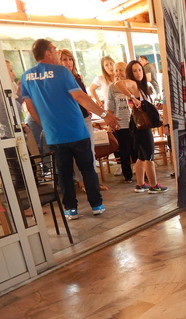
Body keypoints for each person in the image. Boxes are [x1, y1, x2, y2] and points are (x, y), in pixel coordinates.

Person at [21, 39, 120, 220]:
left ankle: (70, 209)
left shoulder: (26, 76)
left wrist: (45, 125)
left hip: (54, 134)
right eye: (54, 49)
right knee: (87, 168)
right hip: (76, 130)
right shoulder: (61, 72)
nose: (57, 52)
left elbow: (30, 106)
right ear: (48, 53)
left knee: (64, 172)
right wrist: (105, 115)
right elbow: (79, 97)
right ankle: (96, 205)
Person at [59, 48, 108, 192]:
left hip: (84, 117)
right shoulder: (60, 80)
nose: (68, 62)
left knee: (90, 150)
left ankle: (92, 181)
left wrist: (89, 109)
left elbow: (84, 96)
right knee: (77, 152)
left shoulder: (77, 78)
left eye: (70, 59)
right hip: (72, 120)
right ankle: (82, 181)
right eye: (64, 59)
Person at [115, 60, 168, 193]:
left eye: (140, 70)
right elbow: (118, 83)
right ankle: (153, 185)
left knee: (142, 156)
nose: (138, 73)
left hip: (137, 125)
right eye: (134, 71)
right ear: (130, 73)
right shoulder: (133, 83)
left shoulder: (142, 86)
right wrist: (133, 97)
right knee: (149, 156)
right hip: (140, 126)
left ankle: (140, 184)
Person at [107, 61, 134, 183]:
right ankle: (127, 175)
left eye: (121, 70)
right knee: (124, 150)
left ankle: (142, 173)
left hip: (134, 122)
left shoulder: (132, 84)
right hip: (121, 123)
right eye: (116, 70)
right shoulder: (112, 87)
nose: (118, 73)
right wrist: (111, 122)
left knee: (136, 149)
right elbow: (110, 106)